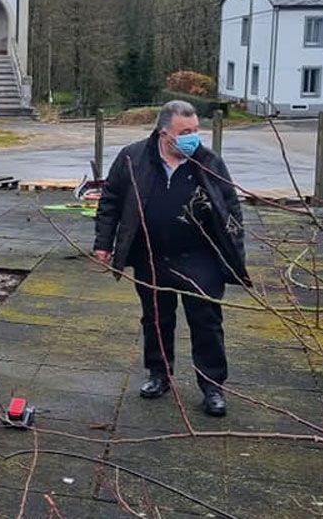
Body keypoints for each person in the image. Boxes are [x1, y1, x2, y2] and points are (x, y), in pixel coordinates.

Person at [92, 100, 249, 417]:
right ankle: (159, 374)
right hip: (151, 254)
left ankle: (212, 386)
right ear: (164, 133)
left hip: (199, 256)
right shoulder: (132, 158)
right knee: (155, 318)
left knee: (206, 322)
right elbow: (110, 201)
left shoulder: (208, 162)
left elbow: (230, 209)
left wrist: (234, 254)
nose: (193, 138)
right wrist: (103, 244)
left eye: (195, 131)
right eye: (185, 132)